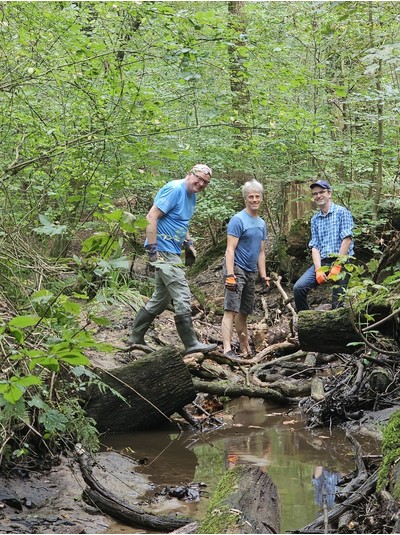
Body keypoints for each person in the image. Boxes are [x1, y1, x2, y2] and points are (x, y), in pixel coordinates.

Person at [128, 164, 217, 355]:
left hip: (173, 251)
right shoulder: (175, 189)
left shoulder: (191, 196)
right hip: (163, 250)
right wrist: (153, 250)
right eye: (198, 178)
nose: (200, 183)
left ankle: (135, 337)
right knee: (183, 294)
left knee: (161, 299)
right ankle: (191, 343)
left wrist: (188, 243)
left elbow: (180, 222)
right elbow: (151, 216)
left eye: (205, 182)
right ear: (189, 174)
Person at [221, 179, 270, 359]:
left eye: (257, 196)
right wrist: (230, 274)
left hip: (251, 271)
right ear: (245, 199)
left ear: (261, 198)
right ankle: (227, 349)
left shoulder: (262, 223)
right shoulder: (238, 219)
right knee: (231, 309)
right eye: (251, 197)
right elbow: (230, 249)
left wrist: (263, 276)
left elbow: (261, 252)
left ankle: (244, 348)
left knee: (244, 311)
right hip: (236, 267)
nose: (255, 200)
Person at [293, 180, 354, 312]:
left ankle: (334, 329)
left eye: (322, 192)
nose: (318, 196)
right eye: (315, 194)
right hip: (323, 262)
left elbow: (347, 240)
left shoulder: (342, 212)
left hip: (342, 261)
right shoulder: (315, 219)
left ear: (329, 193)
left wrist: (338, 265)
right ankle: (307, 322)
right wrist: (318, 269)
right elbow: (315, 246)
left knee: (337, 304)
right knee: (299, 288)